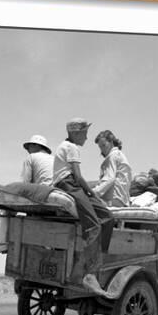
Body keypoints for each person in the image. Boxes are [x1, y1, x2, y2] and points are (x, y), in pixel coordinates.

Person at [53, 118, 114, 295]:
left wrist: (90, 193)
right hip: (68, 184)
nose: (87, 137)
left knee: (108, 217)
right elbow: (78, 177)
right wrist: (92, 193)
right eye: (85, 133)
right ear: (76, 133)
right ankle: (90, 273)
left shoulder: (66, 146)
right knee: (94, 225)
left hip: (72, 184)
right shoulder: (71, 147)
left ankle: (98, 259)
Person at [0, 135, 53, 255]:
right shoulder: (54, 159)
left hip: (40, 195)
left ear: (37, 146)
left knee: (5, 207)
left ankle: (1, 244)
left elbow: (25, 182)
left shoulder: (31, 157)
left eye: (30, 146)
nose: (28, 150)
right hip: (53, 194)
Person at [92, 130, 132, 207]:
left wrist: (94, 192)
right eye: (100, 147)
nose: (102, 149)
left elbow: (109, 179)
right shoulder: (119, 155)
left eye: (104, 145)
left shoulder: (112, 156)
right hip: (122, 200)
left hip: (113, 200)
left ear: (111, 142)